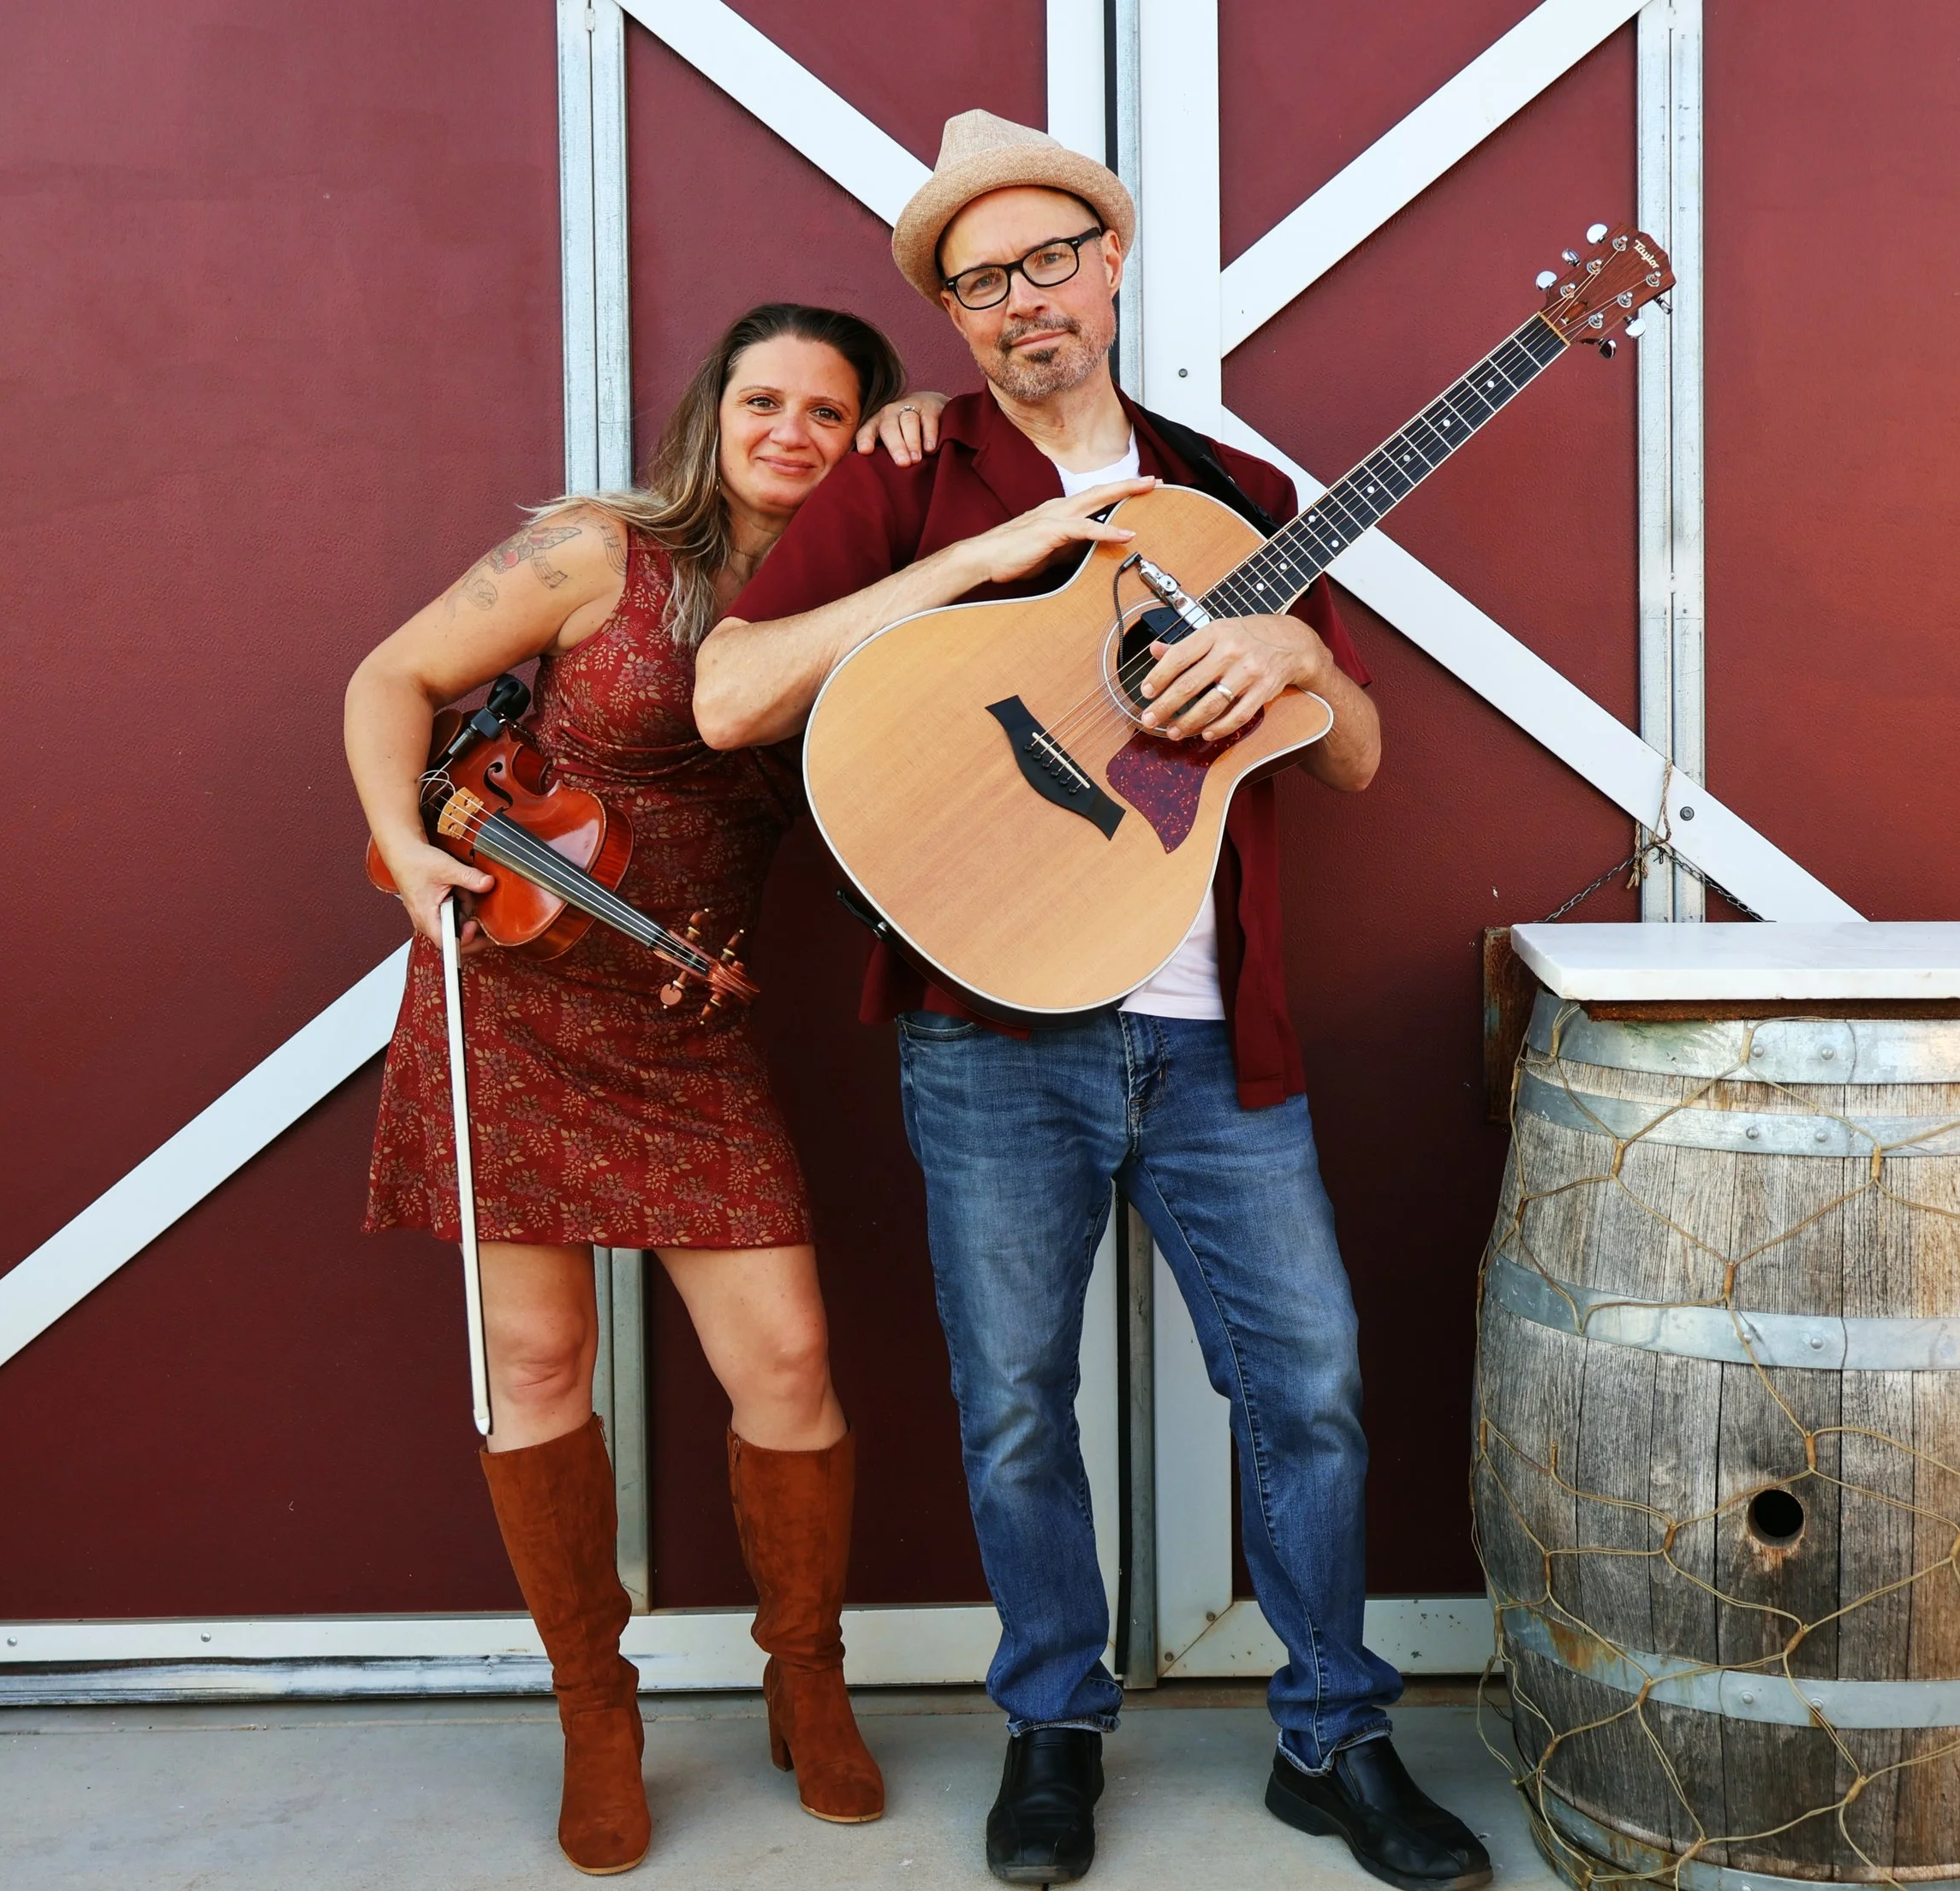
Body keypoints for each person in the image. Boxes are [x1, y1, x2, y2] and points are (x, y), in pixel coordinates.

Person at [694, 116, 1495, 1891]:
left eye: (1046, 258)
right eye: (976, 281)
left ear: (1111, 263)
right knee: (1008, 1402)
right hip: (988, 1040)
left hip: (1221, 1037)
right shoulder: (911, 473)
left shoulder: (1228, 490)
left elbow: (1347, 757)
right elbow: (731, 692)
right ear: (954, 316)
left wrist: (1291, 653)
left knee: (1308, 1390)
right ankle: (1051, 1729)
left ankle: (1334, 1739)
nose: (1018, 300)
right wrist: (965, 572)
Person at [344, 303, 938, 1876]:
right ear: (714, 412)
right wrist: (409, 853)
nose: (793, 431)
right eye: (766, 399)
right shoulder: (598, 551)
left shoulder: (867, 604)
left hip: (689, 1016)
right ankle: (594, 1711)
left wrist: (932, 419)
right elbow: (392, 679)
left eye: (832, 409)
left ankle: (804, 1680)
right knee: (537, 1369)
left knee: (790, 1365)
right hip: (518, 1001)